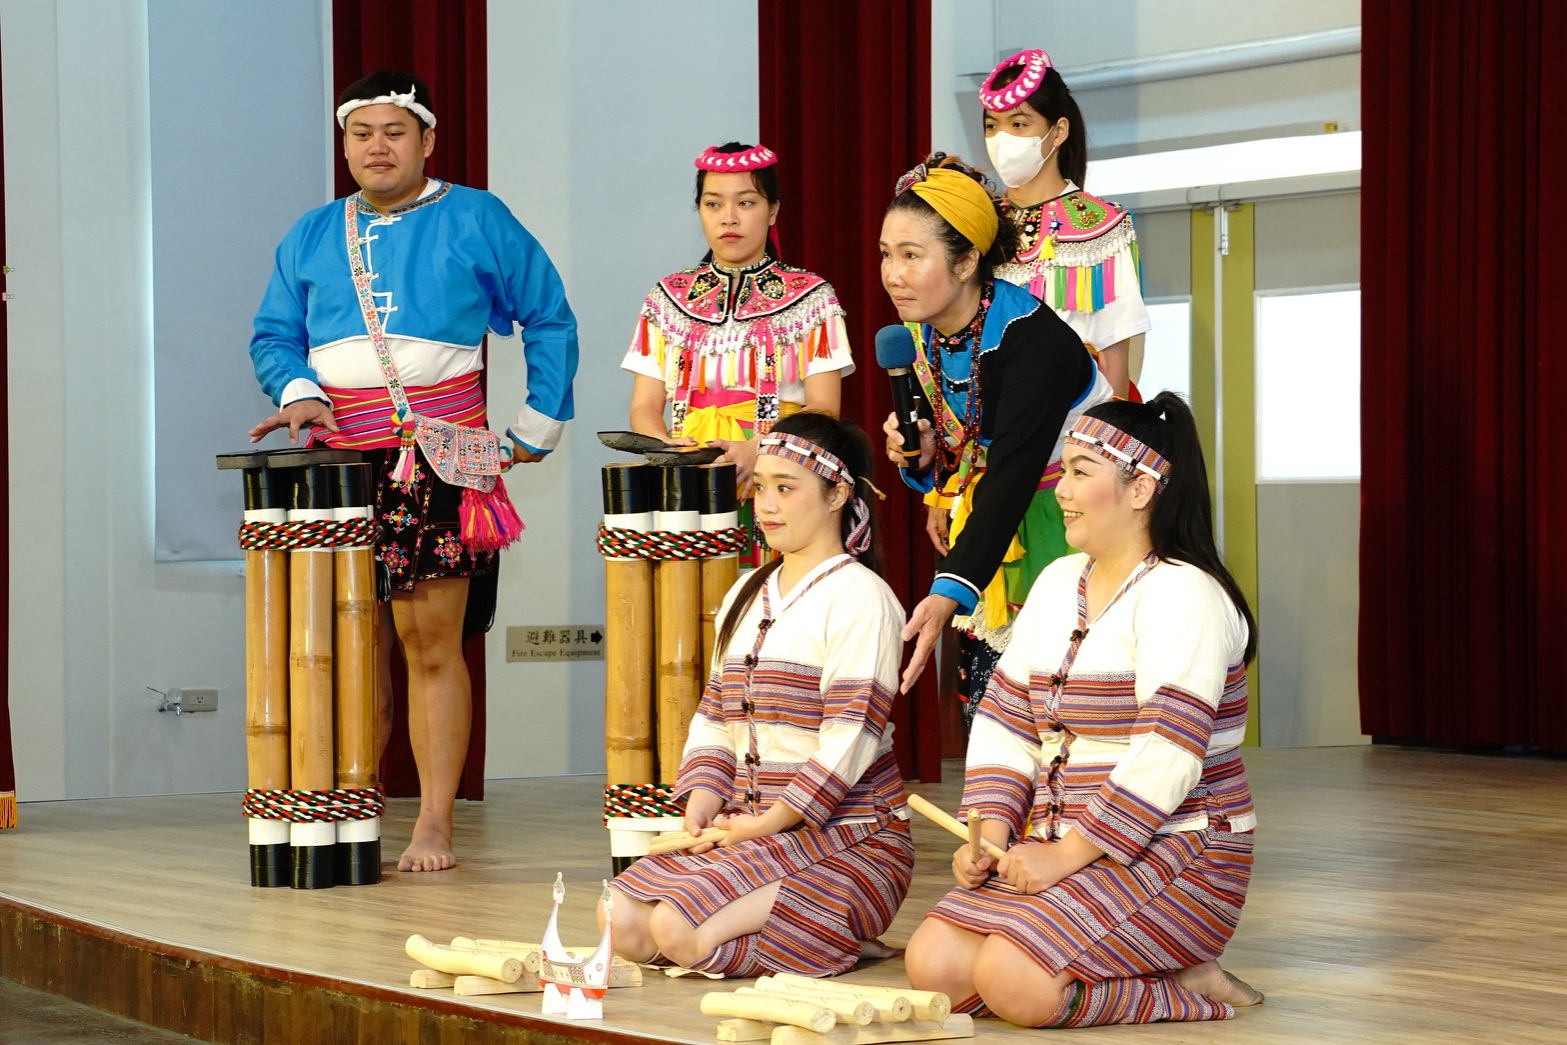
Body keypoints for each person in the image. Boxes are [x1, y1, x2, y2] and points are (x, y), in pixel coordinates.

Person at [247, 71, 578, 872]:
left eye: (393, 131)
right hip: (334, 467)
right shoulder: (312, 232)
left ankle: (434, 822)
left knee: (431, 645)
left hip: (440, 456)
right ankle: (348, 810)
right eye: (361, 133)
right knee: (343, 647)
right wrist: (295, 392)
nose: (376, 147)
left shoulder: (476, 216)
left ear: (427, 140)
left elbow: (549, 315)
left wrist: (533, 426)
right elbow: (272, 334)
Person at [904, 394, 1263, 1027]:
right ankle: (1127, 958)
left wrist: (1066, 855)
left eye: (1079, 473)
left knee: (1013, 983)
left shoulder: (1184, 593)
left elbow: (1169, 751)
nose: (1060, 490)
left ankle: (1189, 984)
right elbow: (1007, 722)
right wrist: (989, 833)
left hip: (1179, 850)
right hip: (1061, 841)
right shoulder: (1058, 580)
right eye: (1062, 471)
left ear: (1141, 488)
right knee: (934, 966)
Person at [607, 412, 913, 976]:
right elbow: (715, 716)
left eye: (786, 489)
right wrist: (702, 798)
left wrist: (767, 821)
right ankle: (809, 938)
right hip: (751, 827)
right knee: (620, 921)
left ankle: (836, 931)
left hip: (848, 837)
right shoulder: (748, 591)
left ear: (837, 494)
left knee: (678, 931)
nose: (766, 505)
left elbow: (852, 736)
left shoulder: (862, 598)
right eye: (762, 487)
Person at [879, 154, 1111, 719]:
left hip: (1075, 518)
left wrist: (947, 591)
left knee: (1064, 705)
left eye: (912, 255)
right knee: (994, 713)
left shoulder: (1031, 340)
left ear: (966, 263)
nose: (892, 273)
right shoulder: (924, 332)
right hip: (1001, 517)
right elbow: (968, 447)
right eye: (887, 254)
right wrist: (925, 453)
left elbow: (1011, 472)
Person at [624, 143, 853, 560]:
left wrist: (760, 450)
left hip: (780, 480)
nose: (728, 217)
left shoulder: (812, 298)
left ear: (773, 211)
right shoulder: (667, 299)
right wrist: (670, 454)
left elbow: (824, 410)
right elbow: (644, 405)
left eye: (746, 202)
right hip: (687, 482)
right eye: (713, 204)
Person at [980, 49, 1151, 400]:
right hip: (983, 430)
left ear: (1058, 132)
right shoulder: (978, 224)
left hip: (1068, 427)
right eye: (991, 126)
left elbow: (1114, 358)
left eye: (1019, 124)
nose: (1001, 139)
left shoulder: (1102, 227)